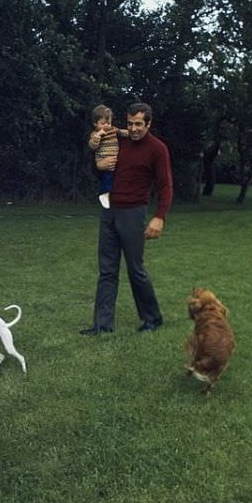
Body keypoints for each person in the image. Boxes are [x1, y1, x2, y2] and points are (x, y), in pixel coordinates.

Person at [80, 102, 173, 336]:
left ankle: (153, 318)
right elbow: (99, 165)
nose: (133, 129)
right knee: (107, 269)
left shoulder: (157, 148)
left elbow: (165, 186)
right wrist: (97, 165)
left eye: (139, 124)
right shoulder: (118, 140)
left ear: (149, 124)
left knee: (135, 269)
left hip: (133, 212)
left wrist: (159, 217)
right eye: (130, 123)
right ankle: (102, 325)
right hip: (109, 209)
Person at [87, 104, 128, 208]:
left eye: (109, 123)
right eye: (103, 123)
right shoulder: (95, 134)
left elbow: (121, 132)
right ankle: (104, 194)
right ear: (95, 123)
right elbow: (93, 146)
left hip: (114, 160)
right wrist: (98, 136)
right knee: (107, 178)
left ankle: (113, 196)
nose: (106, 126)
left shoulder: (113, 130)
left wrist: (130, 133)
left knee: (115, 178)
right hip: (103, 160)